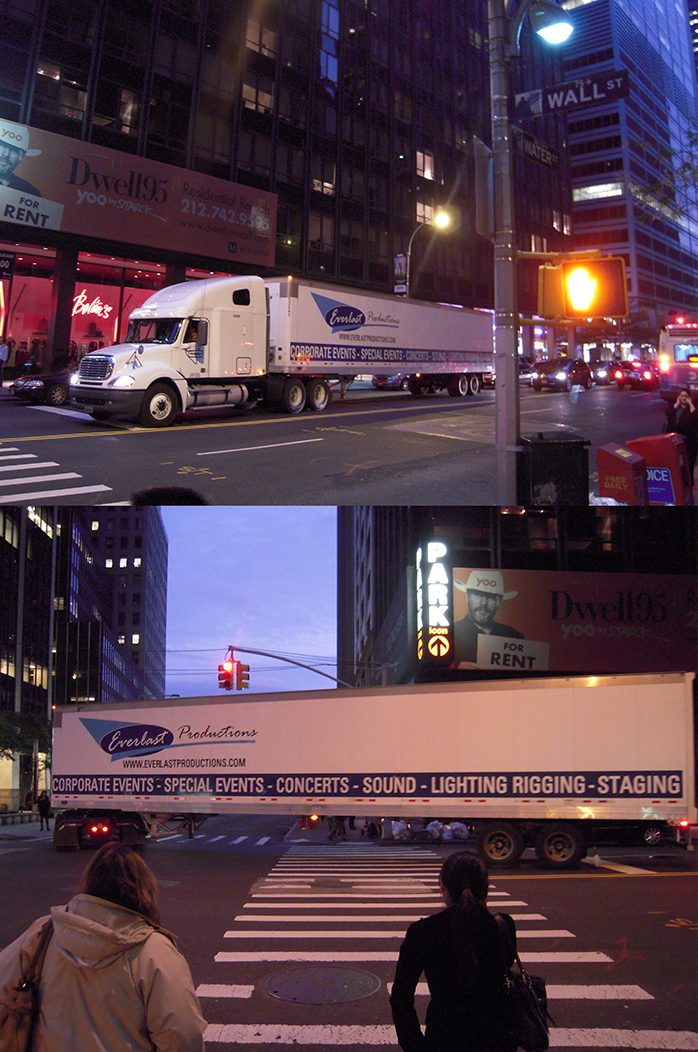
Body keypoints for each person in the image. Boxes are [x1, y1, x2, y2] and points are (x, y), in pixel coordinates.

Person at [0, 841, 206, 1051]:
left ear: (89, 883)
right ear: (144, 889)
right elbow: (182, 1036)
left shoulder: (43, 933)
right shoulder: (153, 950)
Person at [390, 851, 517, 1052]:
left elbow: (401, 997)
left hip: (444, 1036)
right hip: (496, 1038)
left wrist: (415, 1046)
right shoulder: (503, 926)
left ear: (443, 886)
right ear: (486, 887)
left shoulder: (423, 931)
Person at [453, 570, 524, 665]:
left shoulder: (514, 637)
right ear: (467, 597)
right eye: (478, 595)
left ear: (499, 602)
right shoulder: (452, 633)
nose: (483, 603)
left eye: (491, 597)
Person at [0, 122, 42, 196]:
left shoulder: (30, 192)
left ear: (21, 156)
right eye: (1, 145)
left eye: (13, 150)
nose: (6, 154)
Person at [664, 387, 697, 478]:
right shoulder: (675, 407)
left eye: (686, 396)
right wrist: (677, 403)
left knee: (688, 464)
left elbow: (695, 417)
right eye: (682, 396)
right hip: (676, 440)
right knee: (677, 463)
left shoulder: (693, 407)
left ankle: (689, 481)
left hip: (688, 441)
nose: (684, 398)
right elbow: (668, 412)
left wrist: (690, 404)